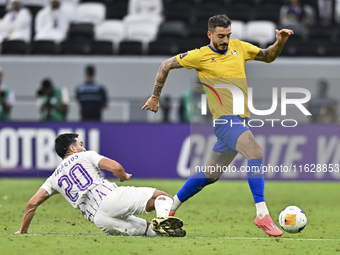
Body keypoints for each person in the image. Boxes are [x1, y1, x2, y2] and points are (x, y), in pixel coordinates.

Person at [142, 14, 294, 237]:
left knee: (210, 175)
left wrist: (279, 43)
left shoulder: (239, 48)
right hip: (225, 121)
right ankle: (262, 214)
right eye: (221, 36)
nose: (225, 40)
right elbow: (166, 65)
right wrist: (155, 96)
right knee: (256, 152)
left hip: (238, 122)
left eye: (228, 35)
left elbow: (268, 56)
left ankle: (168, 211)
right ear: (209, 34)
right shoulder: (200, 56)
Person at [15, 133, 186, 237]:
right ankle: (164, 217)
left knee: (150, 230)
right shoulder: (85, 156)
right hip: (110, 198)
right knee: (163, 197)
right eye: (80, 144)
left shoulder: (53, 179)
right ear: (72, 149)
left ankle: (162, 226)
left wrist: (22, 230)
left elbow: (32, 204)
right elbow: (116, 167)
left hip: (99, 219)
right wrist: (123, 176)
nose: (83, 147)